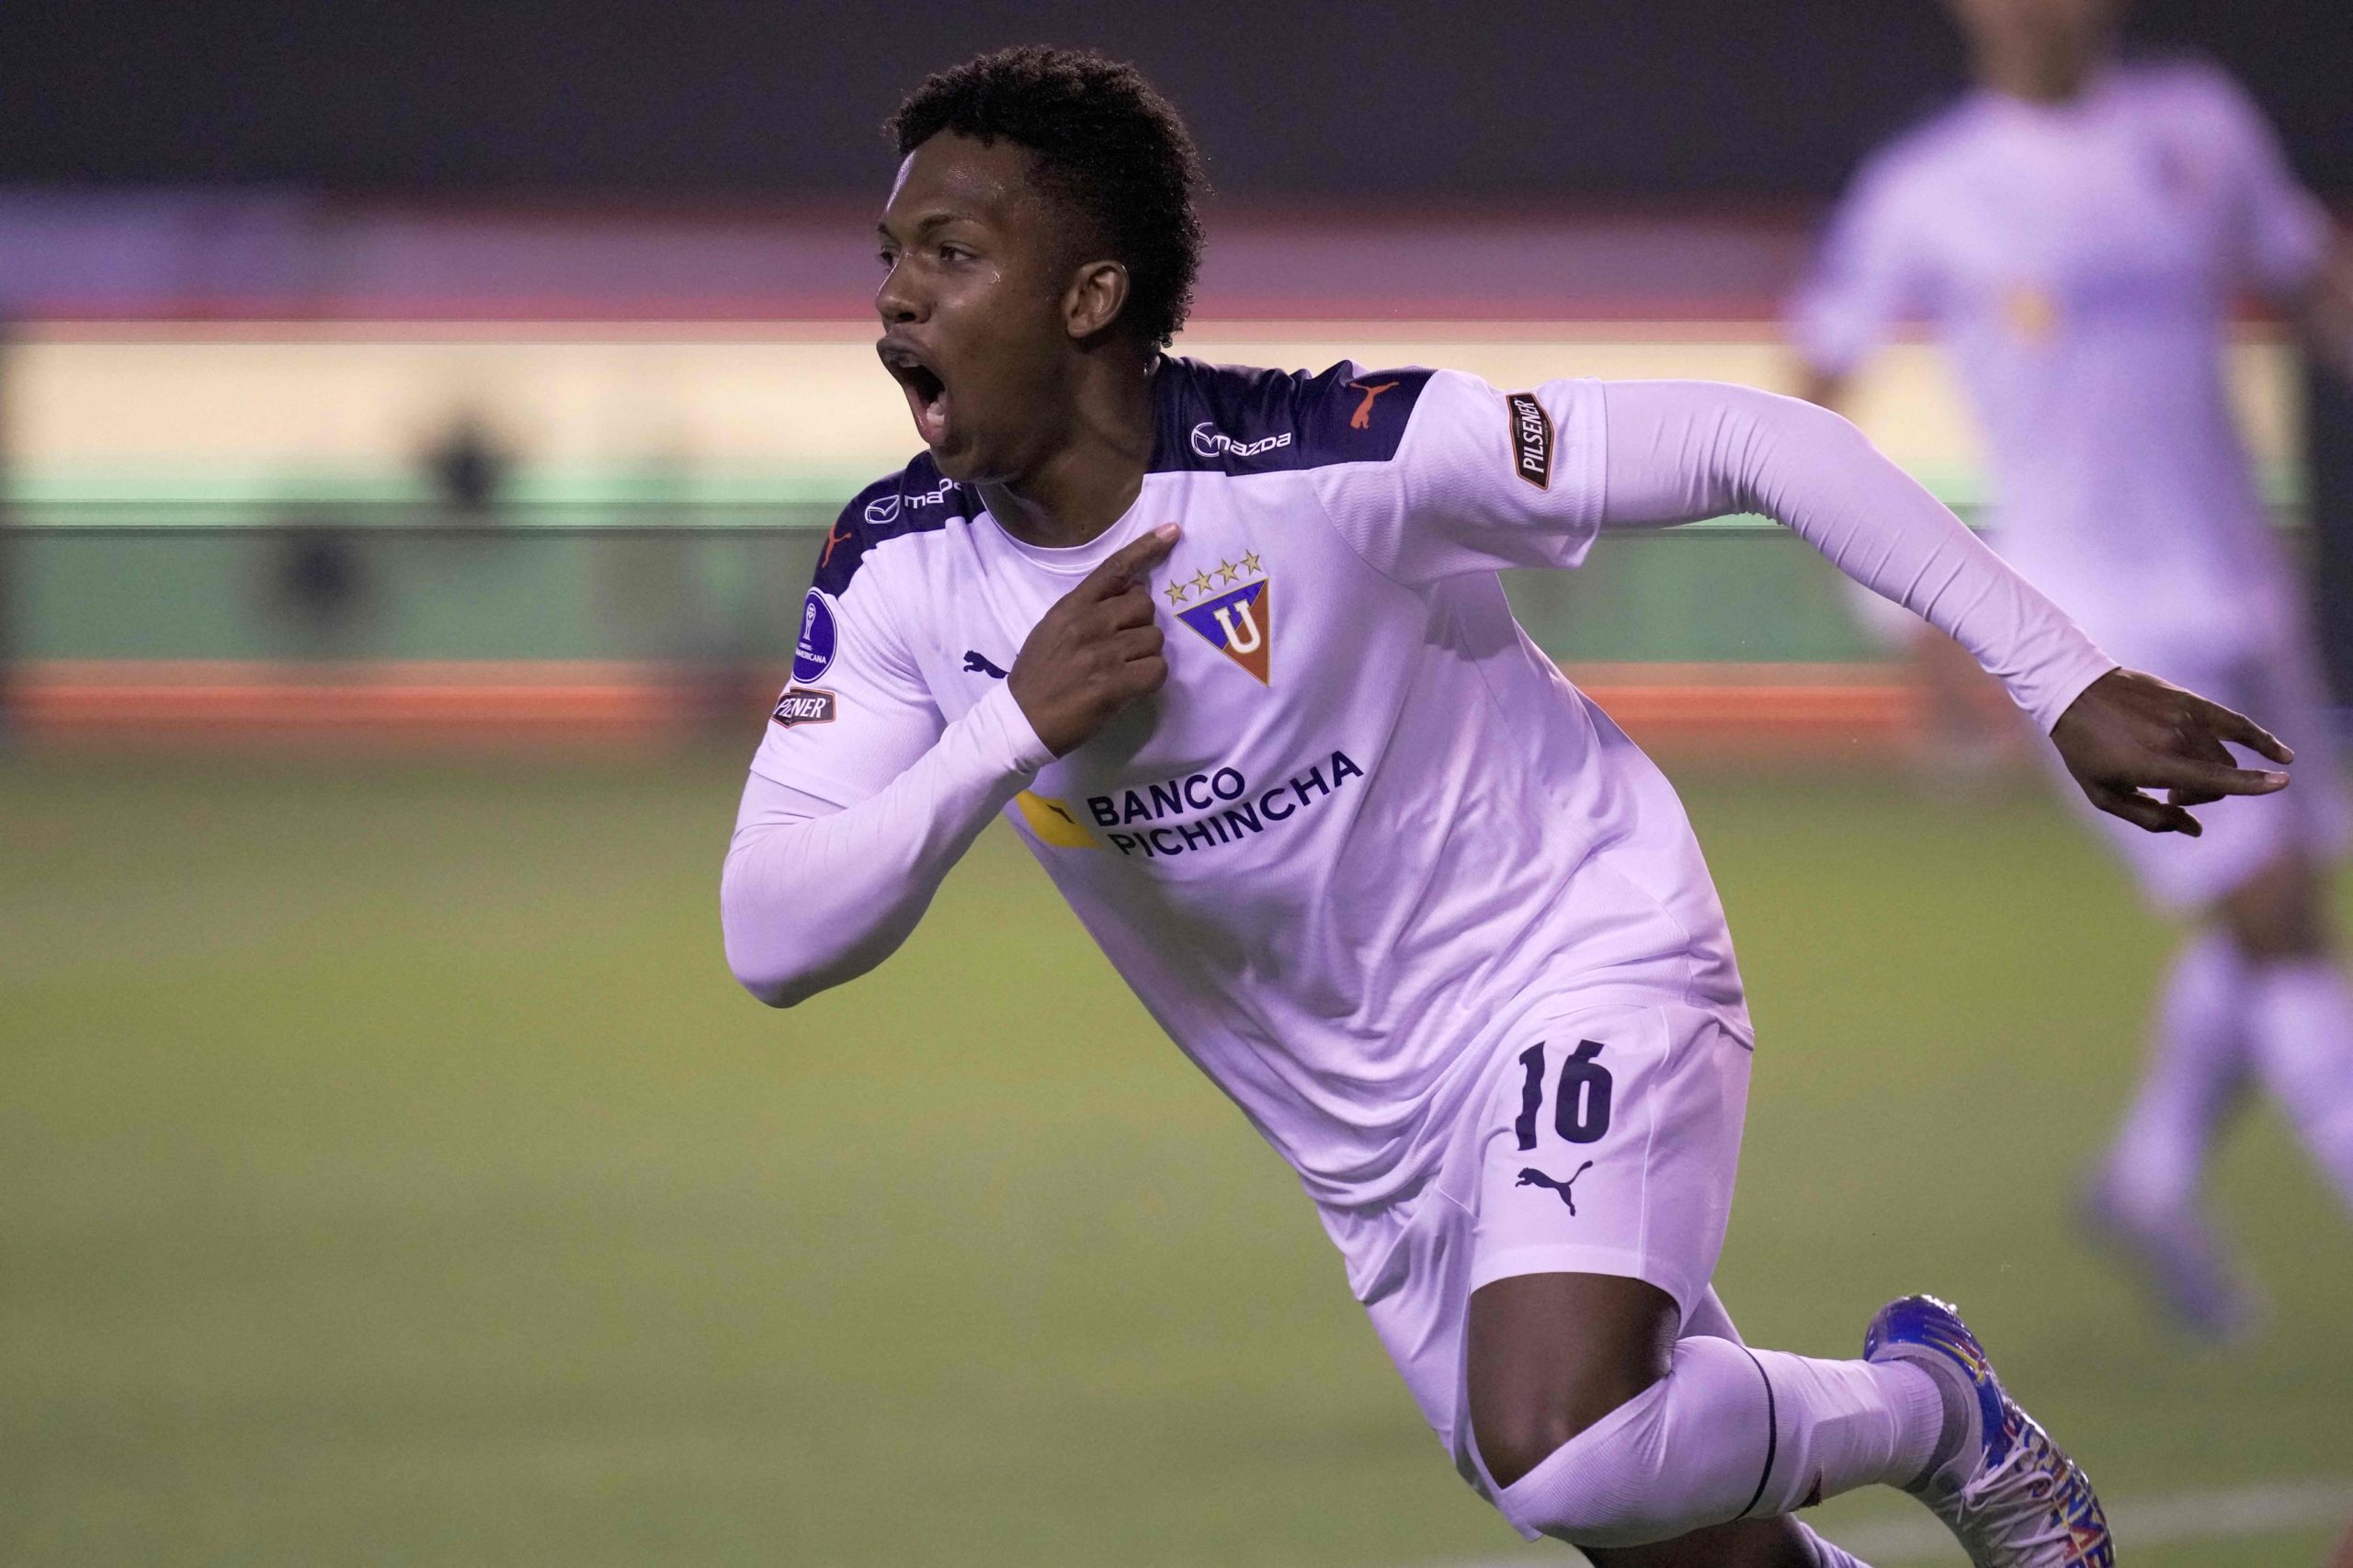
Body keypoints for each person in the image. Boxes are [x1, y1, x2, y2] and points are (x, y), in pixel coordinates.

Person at [722, 46, 2297, 1568]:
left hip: (1572, 951)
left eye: (949, 253)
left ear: (1089, 296)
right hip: (1369, 1151)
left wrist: (2062, 679)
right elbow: (772, 934)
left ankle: (1939, 1408)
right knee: (1678, 1534)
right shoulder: (898, 567)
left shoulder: (1335, 458)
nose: (897, 296)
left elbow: (1752, 437)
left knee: (1563, 1438)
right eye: (890, 257)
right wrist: (1008, 726)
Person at [1790, 0, 2353, 1341]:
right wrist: (1908, 615)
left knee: (2283, 910)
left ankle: (2146, 1180)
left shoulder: (2197, 126)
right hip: (2093, 627)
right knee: (2271, 914)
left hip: (2246, 585)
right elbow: (1811, 396)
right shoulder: (1929, 187)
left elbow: (2311, 275)